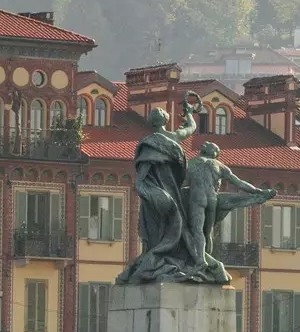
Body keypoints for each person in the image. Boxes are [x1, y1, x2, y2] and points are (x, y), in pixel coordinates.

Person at [117, 103, 200, 284]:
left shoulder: (147, 144)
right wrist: (189, 112)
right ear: (165, 120)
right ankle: (163, 258)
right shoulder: (174, 137)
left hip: (154, 192)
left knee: (155, 229)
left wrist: (143, 188)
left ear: (151, 122)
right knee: (175, 223)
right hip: (171, 191)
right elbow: (191, 128)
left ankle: (155, 257)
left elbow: (142, 174)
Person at [183, 140, 275, 276]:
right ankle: (208, 261)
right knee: (208, 232)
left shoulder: (191, 163)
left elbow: (181, 183)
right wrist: (258, 191)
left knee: (197, 230)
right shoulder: (219, 165)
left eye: (208, 144)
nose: (205, 143)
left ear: (207, 151)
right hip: (212, 199)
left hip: (197, 198)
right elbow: (239, 183)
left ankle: (201, 260)